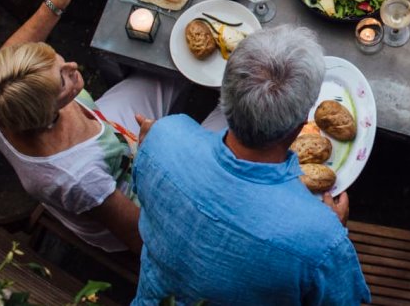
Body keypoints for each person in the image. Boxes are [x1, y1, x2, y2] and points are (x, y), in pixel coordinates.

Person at [0, 0, 190, 254]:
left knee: (171, 66)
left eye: (57, 60)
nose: (74, 67)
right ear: (45, 112)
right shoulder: (81, 178)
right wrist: (152, 156)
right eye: (63, 78)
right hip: (139, 191)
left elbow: (12, 53)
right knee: (226, 127)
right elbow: (142, 240)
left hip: (112, 129)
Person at [132, 26, 370, 304]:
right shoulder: (320, 239)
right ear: (300, 124)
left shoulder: (164, 136)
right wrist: (334, 228)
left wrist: (155, 144)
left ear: (224, 96)